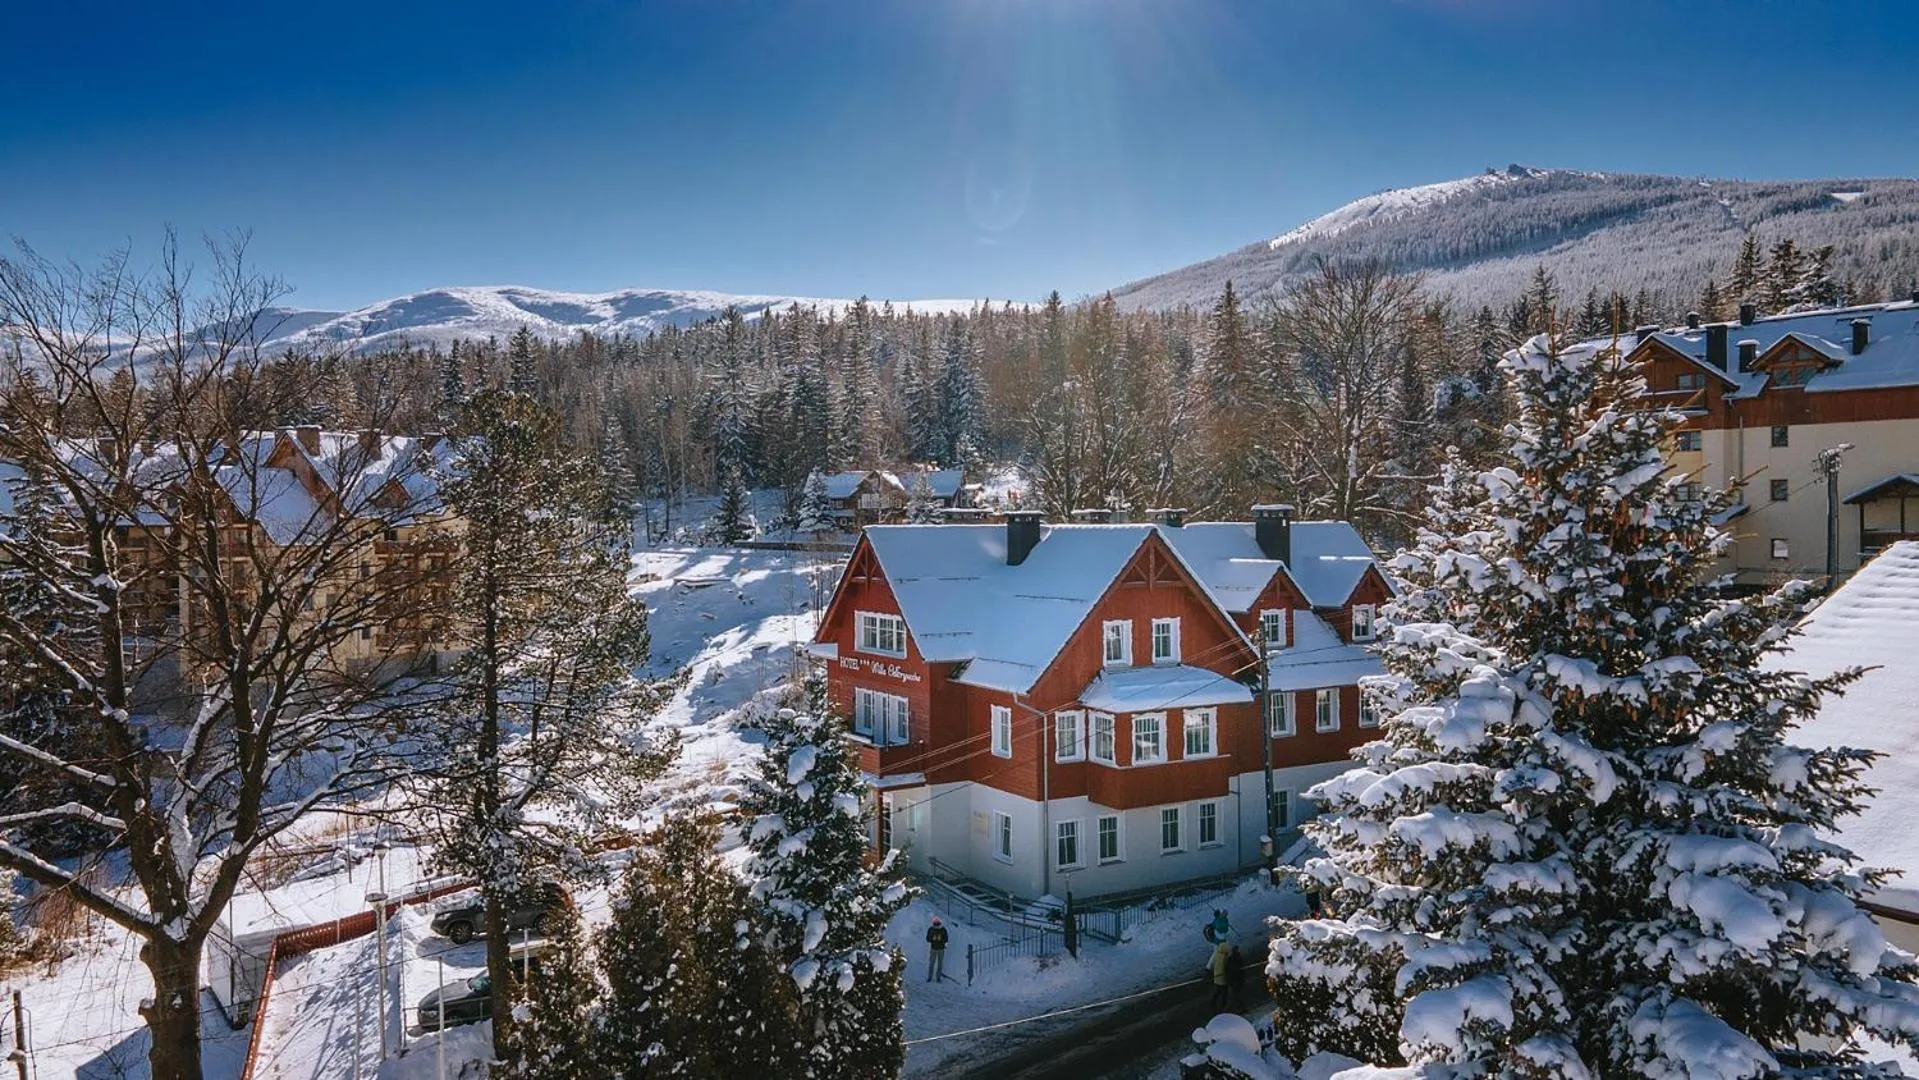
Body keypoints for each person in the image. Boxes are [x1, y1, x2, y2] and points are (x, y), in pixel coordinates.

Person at [1208, 939, 1231, 1011]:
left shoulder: (1217, 954)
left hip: (1217, 977)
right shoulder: (1226, 954)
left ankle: (1214, 1007)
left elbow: (1212, 964)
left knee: (1217, 993)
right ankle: (1223, 1008)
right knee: (1224, 994)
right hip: (1223, 978)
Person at [1224, 944, 1248, 1011]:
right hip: (1237, 980)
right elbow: (1241, 970)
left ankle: (1238, 1008)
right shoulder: (1239, 958)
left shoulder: (1230, 959)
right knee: (1235, 995)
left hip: (1233, 980)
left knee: (1234, 995)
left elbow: (1226, 969)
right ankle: (1241, 1008)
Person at [926, 917, 949, 982]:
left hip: (937, 949)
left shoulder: (933, 929)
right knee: (936, 963)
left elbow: (946, 939)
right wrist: (934, 939)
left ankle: (933, 977)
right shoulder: (941, 929)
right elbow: (928, 939)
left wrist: (938, 940)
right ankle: (934, 977)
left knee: (935, 963)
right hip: (937, 949)